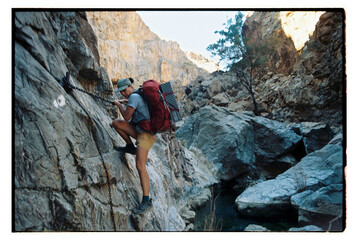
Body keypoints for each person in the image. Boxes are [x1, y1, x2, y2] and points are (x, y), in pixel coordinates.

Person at [112, 78, 156, 215]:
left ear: (131, 86)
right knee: (116, 123)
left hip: (146, 135)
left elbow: (126, 117)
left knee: (140, 165)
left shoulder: (134, 97)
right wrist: (125, 102)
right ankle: (130, 147)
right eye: (121, 92)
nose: (123, 93)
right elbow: (127, 118)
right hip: (141, 130)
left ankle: (147, 200)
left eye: (124, 90)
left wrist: (118, 104)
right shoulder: (137, 96)